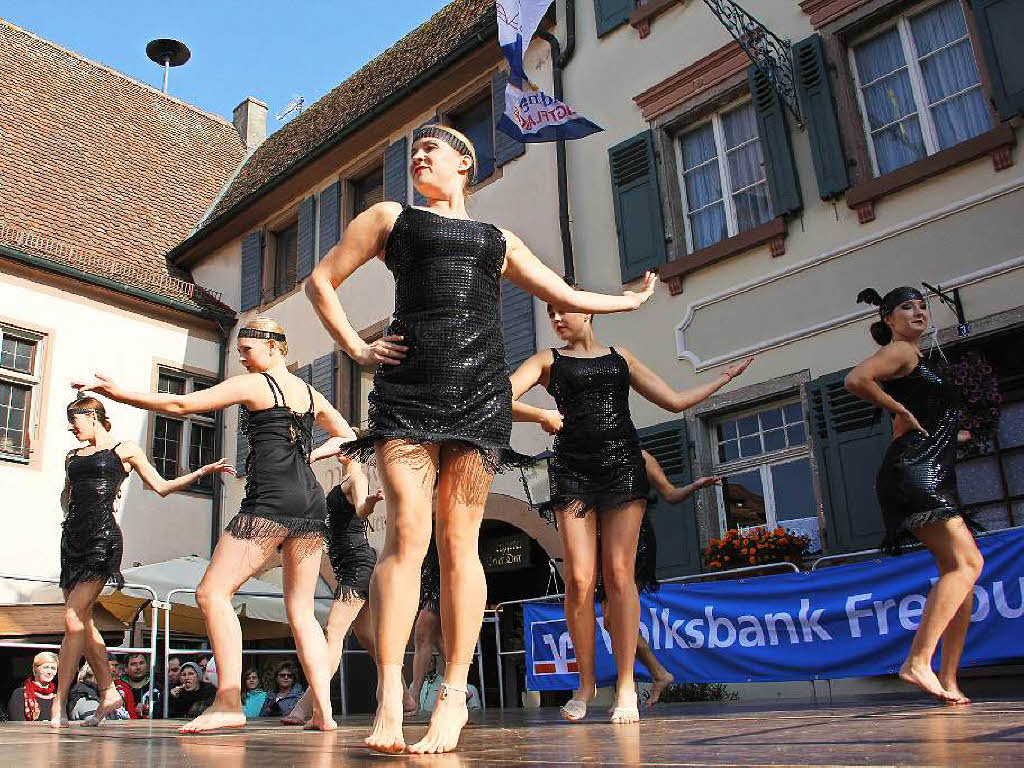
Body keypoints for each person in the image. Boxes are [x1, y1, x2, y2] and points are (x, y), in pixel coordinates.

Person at [306, 123, 656, 754]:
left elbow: (563, 291)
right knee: (406, 536)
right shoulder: (390, 218)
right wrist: (356, 346)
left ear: (464, 163)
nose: (417, 155)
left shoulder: (496, 239)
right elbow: (319, 281)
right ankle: (389, 701)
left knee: (459, 542)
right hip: (408, 393)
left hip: (479, 397)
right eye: (411, 149)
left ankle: (451, 697)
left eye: (430, 148)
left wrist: (628, 304)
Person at [73, 317, 356, 733]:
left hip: (271, 500)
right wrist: (312, 457)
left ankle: (227, 701)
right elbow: (346, 434)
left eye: (247, 348)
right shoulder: (309, 393)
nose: (240, 356)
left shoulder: (257, 384)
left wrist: (118, 393)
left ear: (275, 347)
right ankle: (324, 713)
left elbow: (181, 405)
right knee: (301, 609)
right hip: (309, 502)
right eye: (238, 349)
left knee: (212, 592)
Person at [510, 295, 751, 724]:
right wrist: (539, 415)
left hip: (623, 467)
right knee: (580, 579)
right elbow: (500, 397)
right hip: (573, 470)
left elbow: (675, 402)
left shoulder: (621, 357)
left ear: (585, 311)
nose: (556, 318)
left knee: (620, 574)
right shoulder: (548, 360)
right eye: (549, 313)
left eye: (561, 309)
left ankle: (625, 684)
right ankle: (585, 684)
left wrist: (724, 378)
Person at [48, 396, 232, 729]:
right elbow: (68, 494)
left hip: (102, 540)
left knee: (73, 619)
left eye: (74, 420)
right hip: (71, 540)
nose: (71, 428)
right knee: (84, 623)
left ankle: (58, 704)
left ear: (93, 417)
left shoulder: (126, 449)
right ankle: (108, 692)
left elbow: (161, 486)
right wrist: (71, 510)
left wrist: (202, 471)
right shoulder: (71, 456)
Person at [845, 286, 983, 705]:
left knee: (959, 578)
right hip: (917, 473)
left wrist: (951, 434)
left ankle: (950, 677)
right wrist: (899, 409)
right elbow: (856, 379)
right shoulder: (900, 351)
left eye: (922, 305)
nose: (918, 311)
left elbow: (909, 427)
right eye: (907, 306)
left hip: (928, 468)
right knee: (969, 563)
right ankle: (918, 661)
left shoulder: (918, 361)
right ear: (888, 318)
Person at [282, 455, 399, 725]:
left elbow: (360, 508)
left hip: (357, 565)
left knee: (333, 635)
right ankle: (405, 698)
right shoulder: (349, 478)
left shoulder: (357, 478)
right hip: (352, 564)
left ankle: (306, 706)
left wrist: (369, 503)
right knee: (368, 637)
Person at [409, 537, 443, 710]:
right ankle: (461, 688)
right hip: (432, 570)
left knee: (422, 637)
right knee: (435, 637)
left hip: (437, 570)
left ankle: (415, 699)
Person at [6, 651, 57, 721]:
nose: (49, 672)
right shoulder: (19, 694)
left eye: (53, 668)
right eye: (46, 667)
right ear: (35, 669)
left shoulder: (59, 696)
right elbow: (16, 724)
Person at [122, 652, 158, 718]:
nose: (138, 667)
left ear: (147, 665)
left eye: (141, 663)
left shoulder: (157, 684)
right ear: (126, 668)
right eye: (133, 664)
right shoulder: (119, 686)